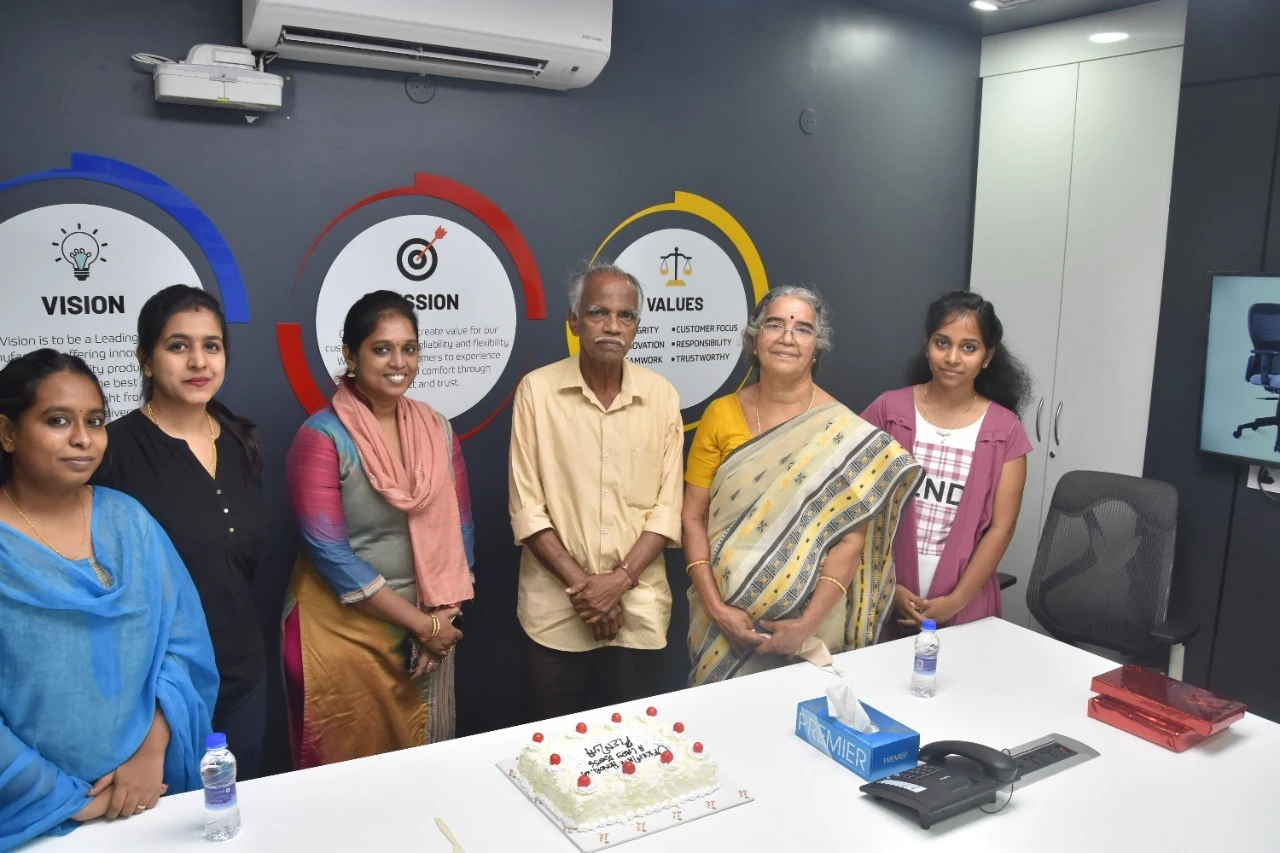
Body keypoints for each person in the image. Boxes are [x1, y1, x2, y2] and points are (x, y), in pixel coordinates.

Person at [0, 349, 218, 848]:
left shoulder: (127, 520)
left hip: (150, 793)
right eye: (57, 421)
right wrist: (66, 800)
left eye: (95, 421)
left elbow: (183, 649)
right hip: (31, 818)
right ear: (8, 433)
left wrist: (150, 751)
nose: (83, 438)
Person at [684, 286, 923, 685]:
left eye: (802, 329)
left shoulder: (842, 429)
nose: (787, 337)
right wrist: (716, 609)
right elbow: (692, 516)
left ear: (817, 347)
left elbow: (851, 540)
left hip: (811, 626)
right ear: (755, 339)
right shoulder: (720, 414)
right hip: (720, 621)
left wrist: (805, 626)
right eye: (774, 325)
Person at [283, 290, 474, 769]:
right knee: (349, 776)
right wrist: (425, 627)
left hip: (427, 628)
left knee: (419, 775)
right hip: (341, 636)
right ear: (350, 356)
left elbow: (461, 528)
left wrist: (442, 617)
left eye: (409, 349)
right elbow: (330, 554)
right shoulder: (322, 437)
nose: (398, 362)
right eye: (382, 349)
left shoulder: (437, 428)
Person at [91, 285, 268, 780]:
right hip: (153, 696)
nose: (198, 361)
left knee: (237, 813)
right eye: (177, 346)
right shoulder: (112, 453)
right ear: (145, 360)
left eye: (211, 346)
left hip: (243, 678)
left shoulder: (240, 441)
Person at [509, 261, 683, 721]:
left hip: (638, 610)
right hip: (555, 614)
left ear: (637, 326)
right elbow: (527, 509)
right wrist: (587, 590)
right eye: (597, 313)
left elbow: (667, 510)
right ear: (573, 322)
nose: (612, 326)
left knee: (636, 748)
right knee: (552, 749)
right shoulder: (537, 392)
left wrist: (618, 582)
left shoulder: (661, 396)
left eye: (625, 316)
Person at [862, 290, 1032, 636]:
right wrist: (887, 585)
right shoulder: (888, 411)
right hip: (881, 597)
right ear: (927, 345)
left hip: (965, 607)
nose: (953, 358)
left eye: (969, 347)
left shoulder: (1005, 431)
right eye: (942, 343)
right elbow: (855, 505)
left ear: (987, 356)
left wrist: (954, 602)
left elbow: (1001, 528)